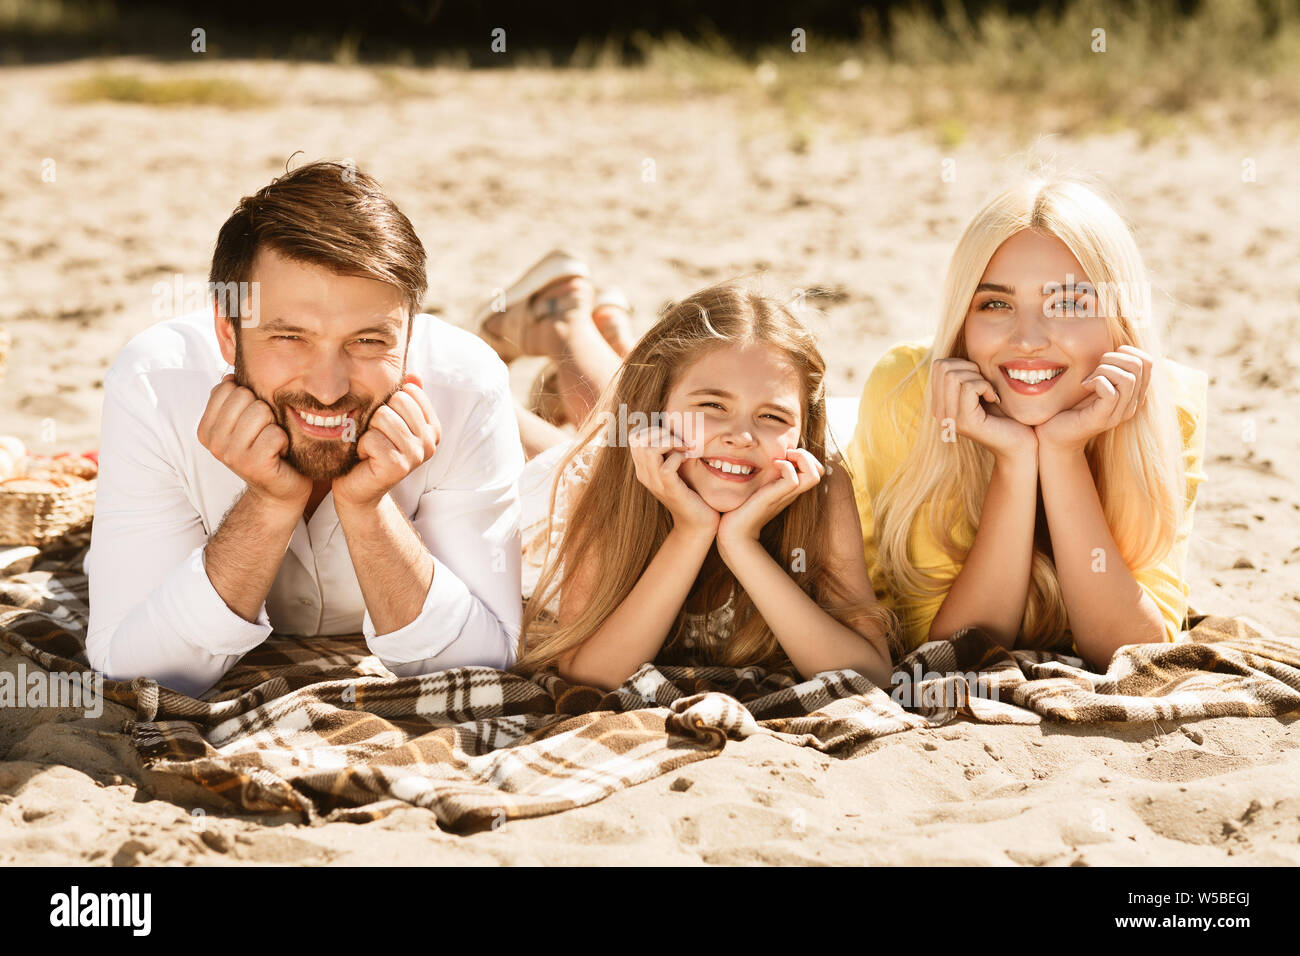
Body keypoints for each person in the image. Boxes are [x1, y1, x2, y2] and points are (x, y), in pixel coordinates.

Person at [84, 160, 523, 697]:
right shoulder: (154, 384)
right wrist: (268, 504)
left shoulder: (466, 386)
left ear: (410, 334)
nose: (329, 387)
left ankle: (553, 325)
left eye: (367, 341)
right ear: (228, 335)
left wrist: (367, 508)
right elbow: (134, 674)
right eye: (290, 337)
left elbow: (483, 669)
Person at [845, 174, 1208, 671]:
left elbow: (1134, 653)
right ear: (962, 319)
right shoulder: (908, 392)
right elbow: (948, 653)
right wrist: (1014, 461)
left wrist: (1062, 454)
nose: (1028, 339)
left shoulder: (1170, 403)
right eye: (996, 303)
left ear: (1118, 319)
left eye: (1067, 303)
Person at [512, 282, 899, 692]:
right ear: (656, 411)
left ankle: (575, 322)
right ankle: (567, 322)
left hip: (666, 451)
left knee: (614, 423)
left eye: (772, 416)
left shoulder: (820, 486)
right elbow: (591, 677)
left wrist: (741, 544)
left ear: (805, 430)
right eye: (713, 406)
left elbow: (871, 677)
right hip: (555, 502)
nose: (742, 436)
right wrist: (691, 530)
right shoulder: (597, 481)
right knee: (522, 428)